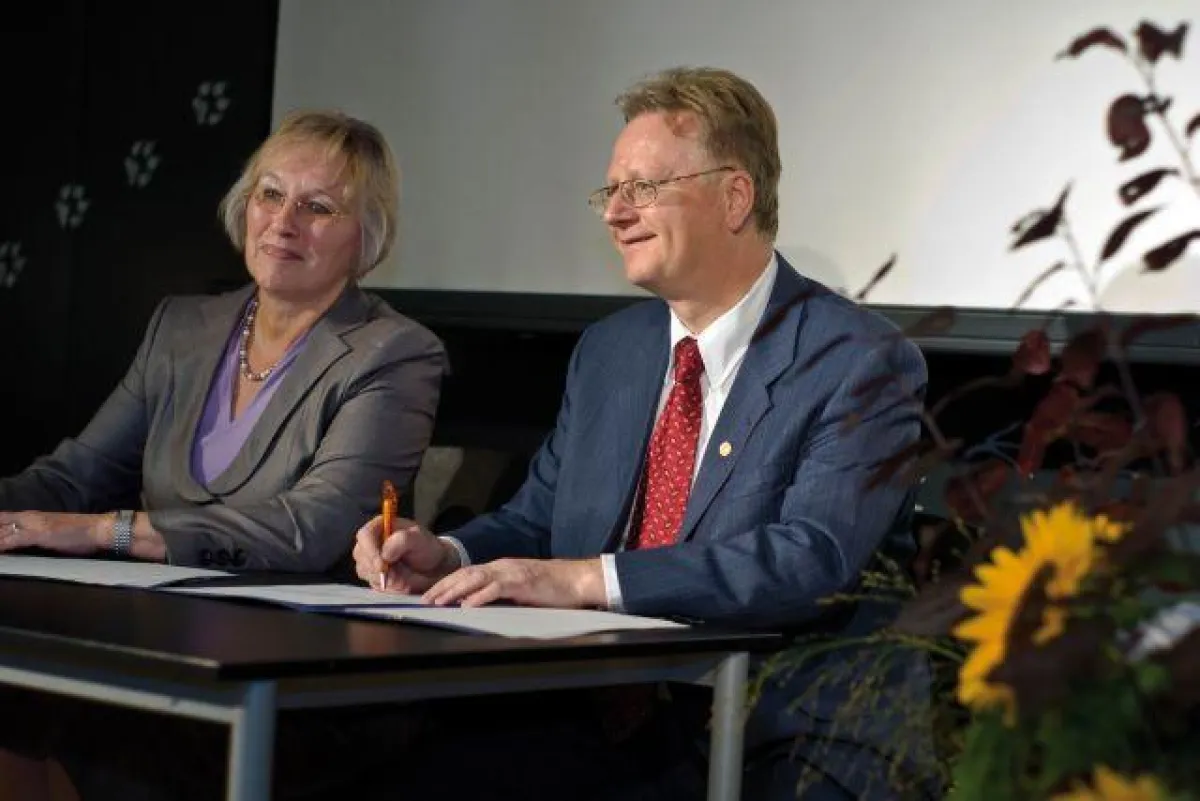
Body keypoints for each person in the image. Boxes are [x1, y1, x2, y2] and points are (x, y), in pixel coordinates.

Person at [353, 67, 935, 801]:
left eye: (645, 188)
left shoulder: (857, 359)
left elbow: (810, 557)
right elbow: (538, 520)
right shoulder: (609, 352)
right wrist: (449, 552)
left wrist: (589, 580)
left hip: (773, 730)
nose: (616, 213)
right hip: (591, 714)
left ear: (735, 196)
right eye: (610, 191)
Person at [0, 110, 446, 800]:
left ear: (367, 239)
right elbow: (74, 475)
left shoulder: (395, 352)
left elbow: (311, 526)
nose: (284, 221)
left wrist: (103, 531)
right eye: (270, 194)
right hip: (155, 639)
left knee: (106, 738)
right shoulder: (181, 325)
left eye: (318, 206)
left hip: (301, 673)